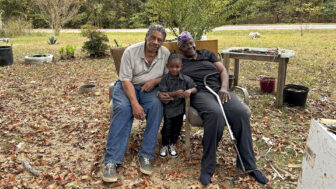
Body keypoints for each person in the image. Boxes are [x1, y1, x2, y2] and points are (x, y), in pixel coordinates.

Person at [158, 31, 268, 186]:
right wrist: (165, 92)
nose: (188, 46)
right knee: (215, 114)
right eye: (184, 45)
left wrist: (224, 88)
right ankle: (207, 168)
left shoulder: (207, 54)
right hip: (200, 93)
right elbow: (169, 77)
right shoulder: (179, 62)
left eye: (190, 43)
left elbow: (222, 71)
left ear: (194, 43)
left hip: (220, 90)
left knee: (241, 113)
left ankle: (249, 165)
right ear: (180, 48)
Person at [103, 25, 170, 182]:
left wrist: (155, 81)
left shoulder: (165, 54)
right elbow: (125, 79)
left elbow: (168, 76)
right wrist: (135, 104)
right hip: (128, 85)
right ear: (146, 36)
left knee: (156, 106)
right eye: (152, 37)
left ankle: (145, 155)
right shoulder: (131, 51)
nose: (155, 42)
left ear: (162, 42)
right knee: (123, 109)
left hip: (150, 88)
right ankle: (111, 161)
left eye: (159, 40)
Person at [158, 53, 197, 158]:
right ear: (167, 66)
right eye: (171, 67)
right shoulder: (165, 79)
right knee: (167, 127)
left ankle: (172, 144)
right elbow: (162, 93)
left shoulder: (185, 79)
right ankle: (165, 144)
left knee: (177, 127)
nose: (174, 69)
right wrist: (174, 93)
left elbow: (195, 88)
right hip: (168, 109)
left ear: (181, 67)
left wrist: (189, 90)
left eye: (177, 67)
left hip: (180, 109)